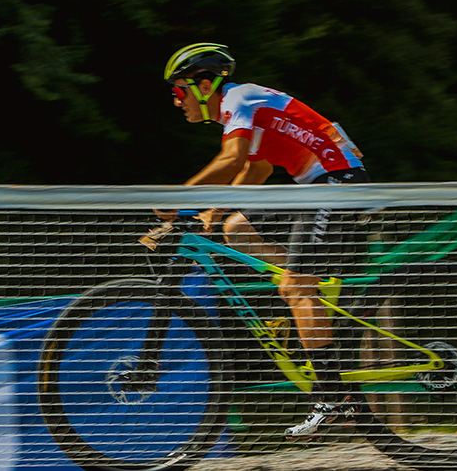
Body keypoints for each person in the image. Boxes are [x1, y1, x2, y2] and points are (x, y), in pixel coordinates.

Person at [158, 42, 369, 440]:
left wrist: (179, 197)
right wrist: (215, 213)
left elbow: (232, 161)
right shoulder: (242, 107)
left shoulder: (238, 99)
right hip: (315, 184)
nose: (176, 101)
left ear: (204, 85)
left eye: (178, 91)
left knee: (293, 285)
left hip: (336, 181)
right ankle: (309, 290)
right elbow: (257, 169)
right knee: (235, 228)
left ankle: (335, 401)